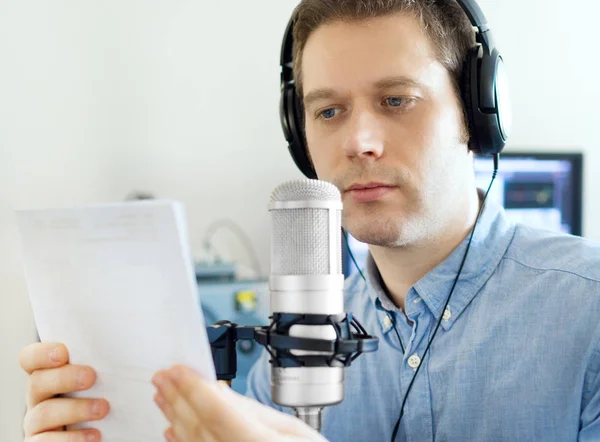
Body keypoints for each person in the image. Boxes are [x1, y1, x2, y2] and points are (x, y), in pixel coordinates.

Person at [19, 0, 600, 441]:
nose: (358, 141)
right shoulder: (287, 358)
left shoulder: (588, 312)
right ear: (301, 137)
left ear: (477, 115)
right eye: (329, 110)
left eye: (397, 100)